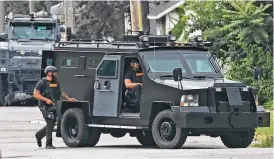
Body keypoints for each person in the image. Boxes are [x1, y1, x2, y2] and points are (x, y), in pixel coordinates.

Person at [33, 66, 76, 149]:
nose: (56, 74)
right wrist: (46, 100)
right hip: (44, 105)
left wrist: (68, 99)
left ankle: (39, 135)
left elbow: (60, 92)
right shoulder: (42, 82)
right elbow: (35, 94)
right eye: (55, 72)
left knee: (52, 124)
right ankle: (48, 144)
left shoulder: (55, 82)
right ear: (49, 73)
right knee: (50, 123)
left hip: (53, 104)